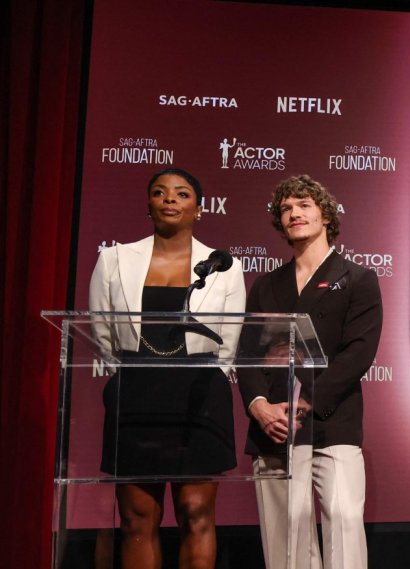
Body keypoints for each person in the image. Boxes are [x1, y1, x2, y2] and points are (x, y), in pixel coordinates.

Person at [89, 167, 246, 568]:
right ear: (149, 205)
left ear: (199, 209)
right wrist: (132, 371)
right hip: (136, 393)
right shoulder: (114, 259)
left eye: (181, 194)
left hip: (199, 394)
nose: (170, 199)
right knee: (137, 518)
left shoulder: (224, 267)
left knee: (196, 513)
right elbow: (102, 333)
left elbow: (227, 345)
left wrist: (201, 373)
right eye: (159, 193)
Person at [238, 174, 382, 569]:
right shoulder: (266, 285)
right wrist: (260, 407)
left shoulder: (357, 279)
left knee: (344, 525)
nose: (293, 213)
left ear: (326, 215)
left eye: (303, 205)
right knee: (286, 541)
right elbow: (246, 353)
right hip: (274, 428)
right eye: (285, 208)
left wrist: (308, 402)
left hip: (332, 423)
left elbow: (359, 352)